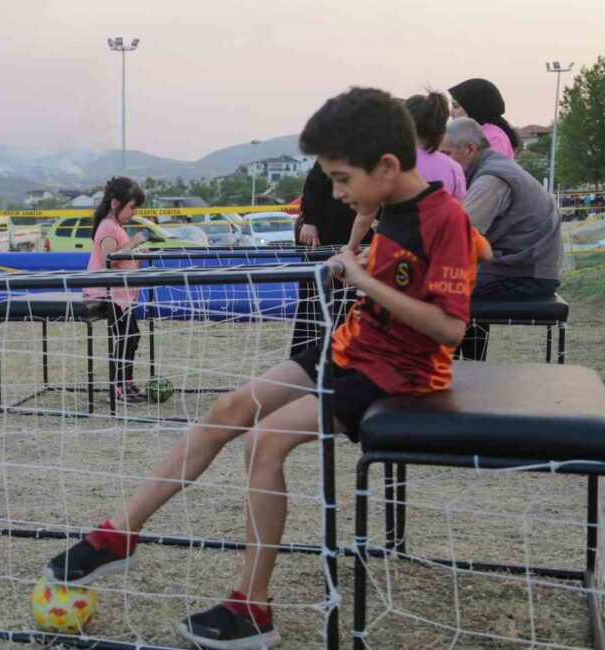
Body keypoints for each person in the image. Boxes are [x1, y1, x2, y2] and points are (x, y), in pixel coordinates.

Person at [43, 88, 481, 649]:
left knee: (264, 442)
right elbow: (367, 255)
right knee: (228, 409)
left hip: (399, 373)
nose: (339, 194)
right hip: (350, 348)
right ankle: (117, 534)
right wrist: (362, 233)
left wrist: (363, 276)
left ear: (388, 166)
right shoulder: (389, 207)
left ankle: (252, 606)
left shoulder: (444, 218)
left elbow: (450, 328)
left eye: (342, 180)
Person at [440, 117, 563, 361]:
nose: (442, 161)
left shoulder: (490, 180)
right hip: (523, 266)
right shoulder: (494, 167)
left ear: (470, 149)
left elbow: (458, 236)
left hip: (525, 273)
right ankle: (464, 369)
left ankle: (447, 374)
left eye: (446, 153)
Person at [343, 90, 469, 250]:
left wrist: (352, 245)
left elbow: (366, 214)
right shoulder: (454, 167)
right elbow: (459, 214)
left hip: (398, 247)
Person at [290, 161, 372, 357]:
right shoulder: (334, 152)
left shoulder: (377, 155)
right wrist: (309, 220)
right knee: (315, 305)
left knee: (356, 305)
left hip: (361, 246)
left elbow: (368, 212)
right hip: (325, 244)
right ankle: (310, 356)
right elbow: (314, 184)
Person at [84, 177, 148, 404]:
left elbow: (122, 257)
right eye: (132, 207)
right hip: (108, 294)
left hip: (119, 293)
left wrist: (137, 253)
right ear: (115, 204)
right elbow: (110, 259)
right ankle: (117, 386)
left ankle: (126, 382)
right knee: (124, 338)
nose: (134, 212)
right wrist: (134, 244)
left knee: (131, 337)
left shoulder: (116, 227)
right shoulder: (108, 228)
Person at [448, 78, 519, 160]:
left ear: (473, 107)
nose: (451, 113)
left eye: (456, 106)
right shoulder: (471, 134)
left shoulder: (494, 138)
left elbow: (493, 170)